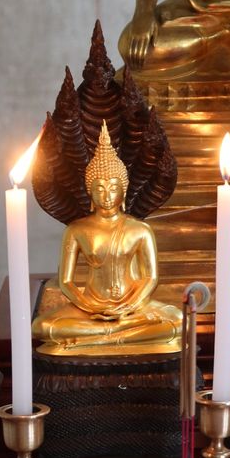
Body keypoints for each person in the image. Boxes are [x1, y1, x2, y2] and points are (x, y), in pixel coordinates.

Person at [32, 122, 182, 354]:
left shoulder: (139, 229)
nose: (107, 195)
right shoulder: (76, 230)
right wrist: (90, 307)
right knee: (41, 327)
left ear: (124, 190)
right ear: (89, 191)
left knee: (178, 320)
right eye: (99, 188)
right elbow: (66, 282)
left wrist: (128, 306)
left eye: (113, 188)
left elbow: (150, 277)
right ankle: (116, 335)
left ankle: (97, 337)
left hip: (132, 307)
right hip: (90, 308)